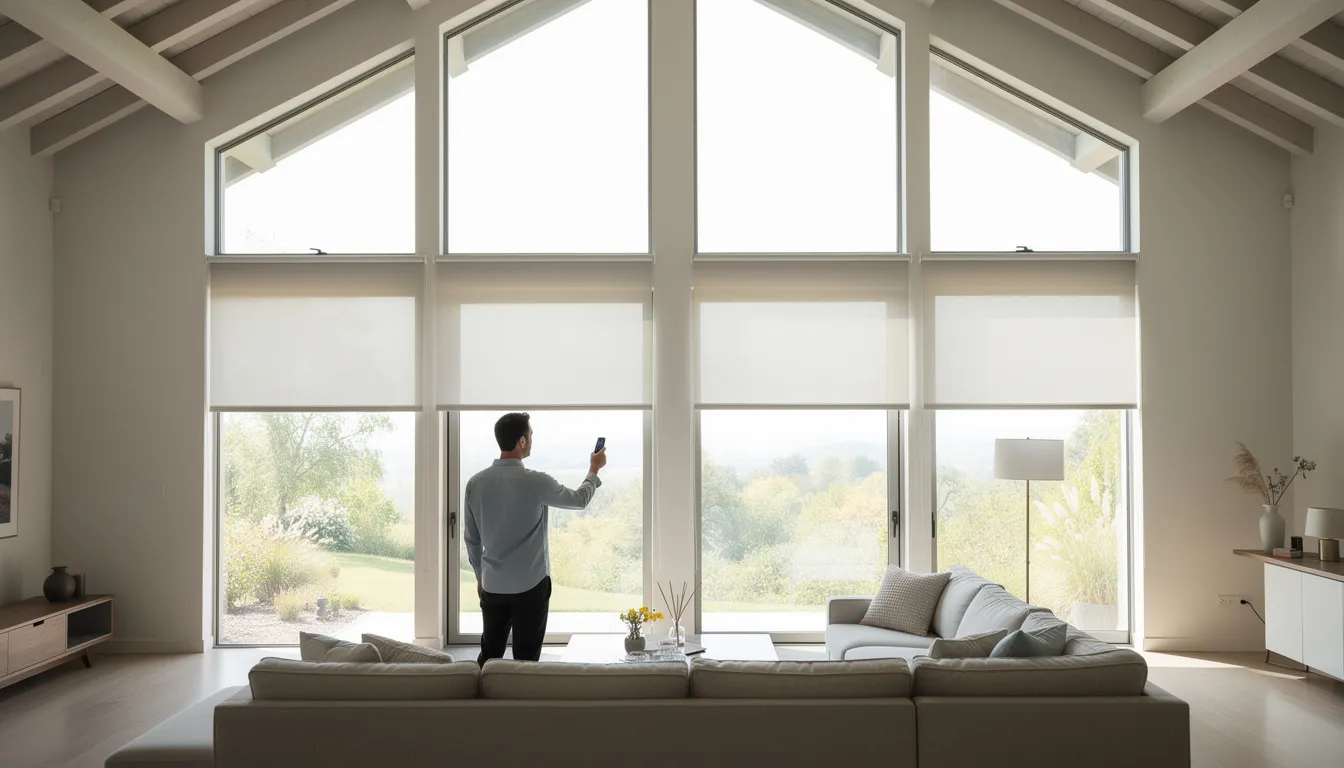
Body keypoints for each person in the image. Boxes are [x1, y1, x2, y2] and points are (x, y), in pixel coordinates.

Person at [464, 412, 606, 665]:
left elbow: (471, 540)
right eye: (530, 435)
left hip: (492, 584)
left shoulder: (475, 483)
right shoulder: (536, 482)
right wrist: (594, 469)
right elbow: (579, 500)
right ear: (521, 441)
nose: (531, 440)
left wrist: (479, 576)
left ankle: (480, 702)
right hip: (531, 586)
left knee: (489, 655)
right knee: (526, 661)